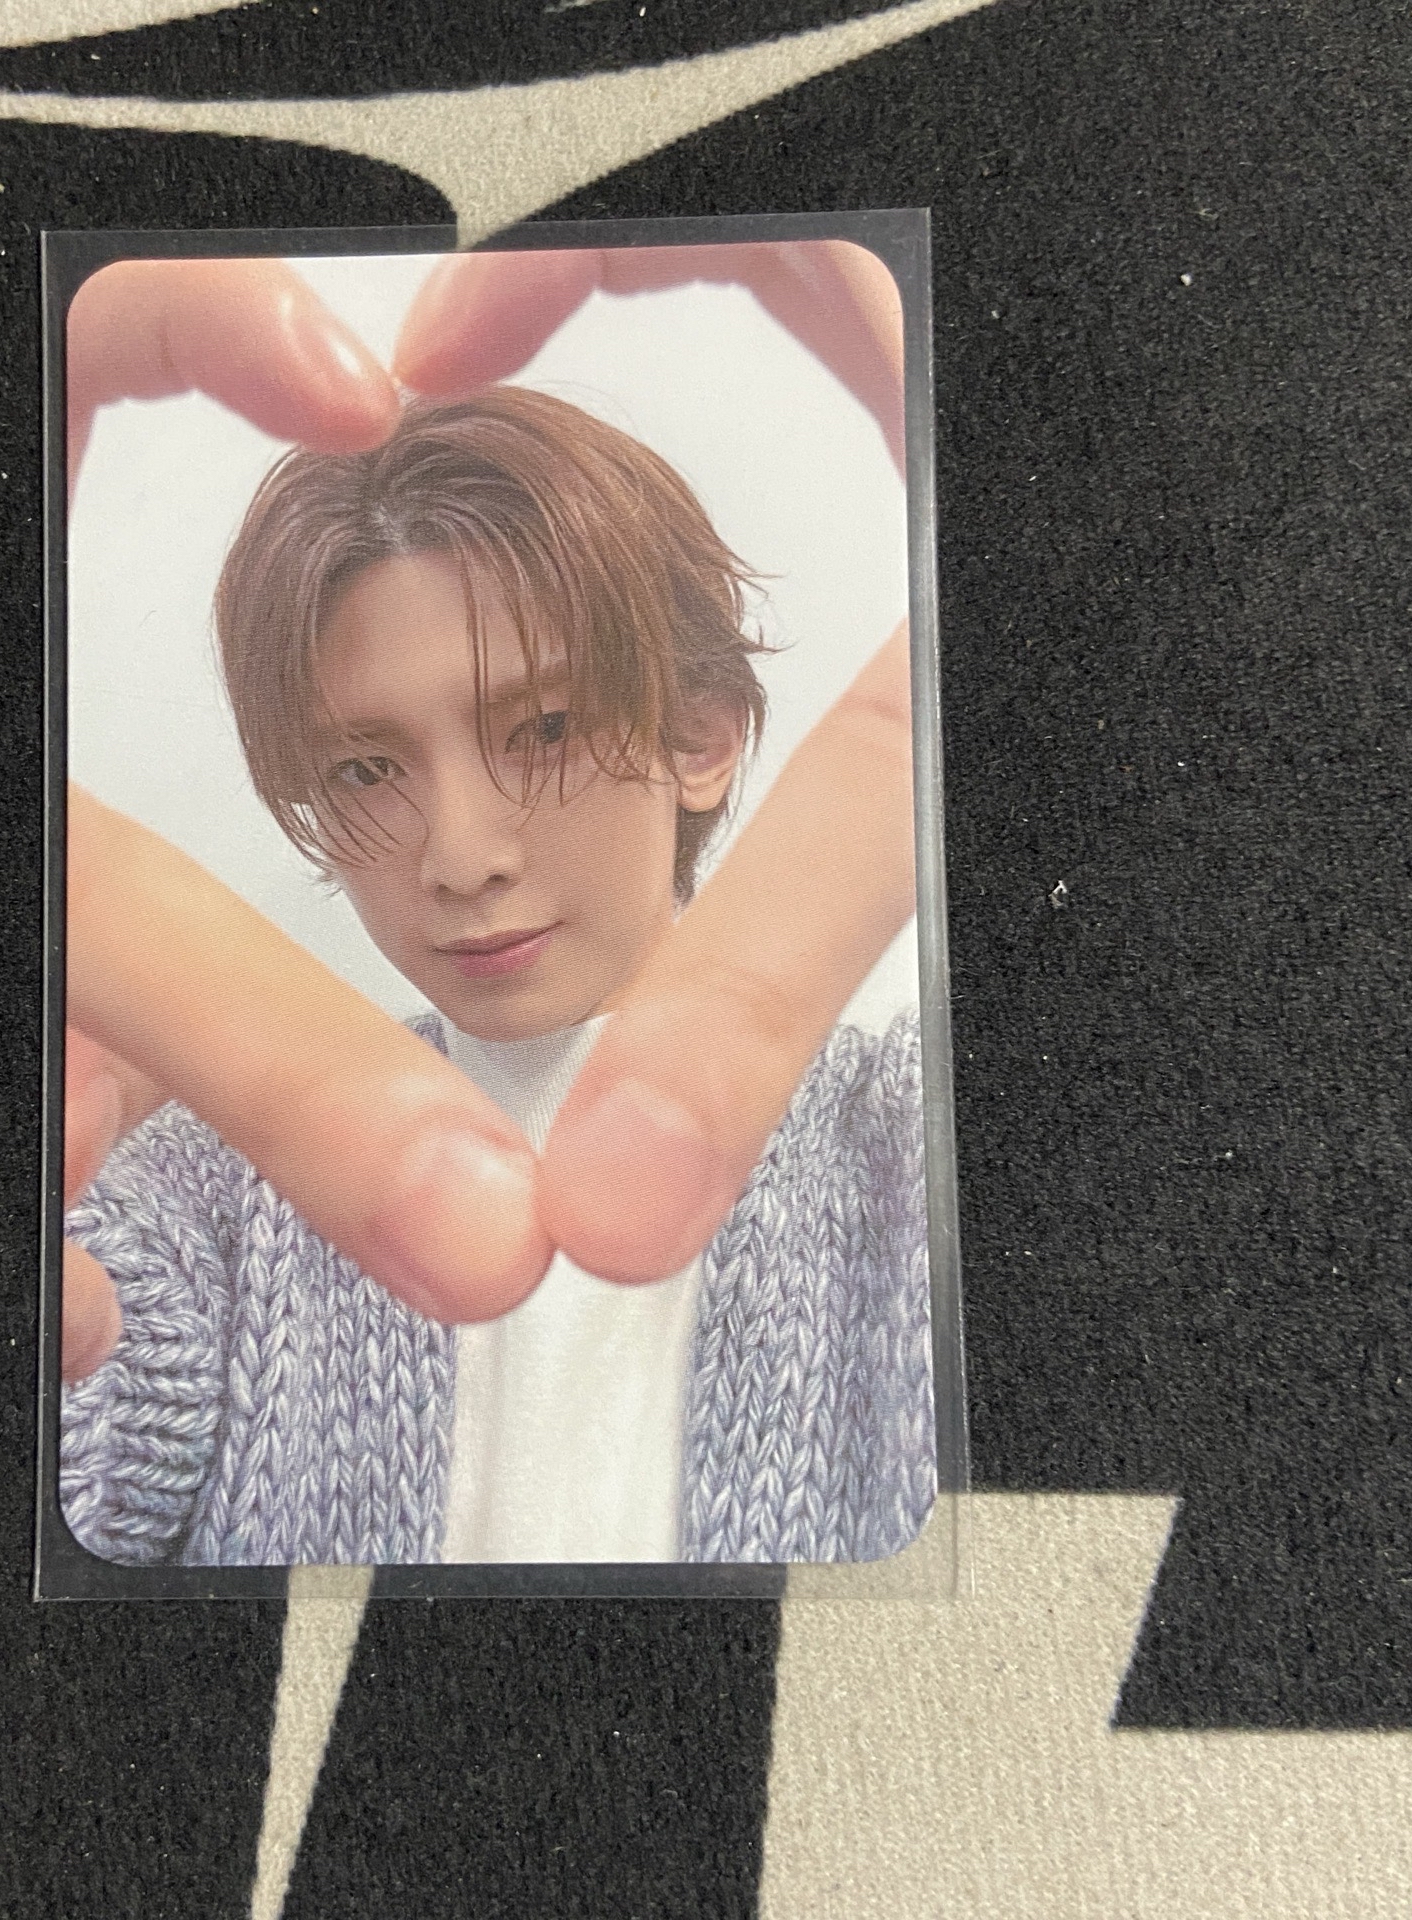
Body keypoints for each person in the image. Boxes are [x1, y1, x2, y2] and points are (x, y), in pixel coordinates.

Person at [60, 365, 931, 1564]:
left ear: (700, 738)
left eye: (544, 730)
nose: (461, 859)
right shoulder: (206, 1200)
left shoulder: (904, 1145)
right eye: (366, 769)